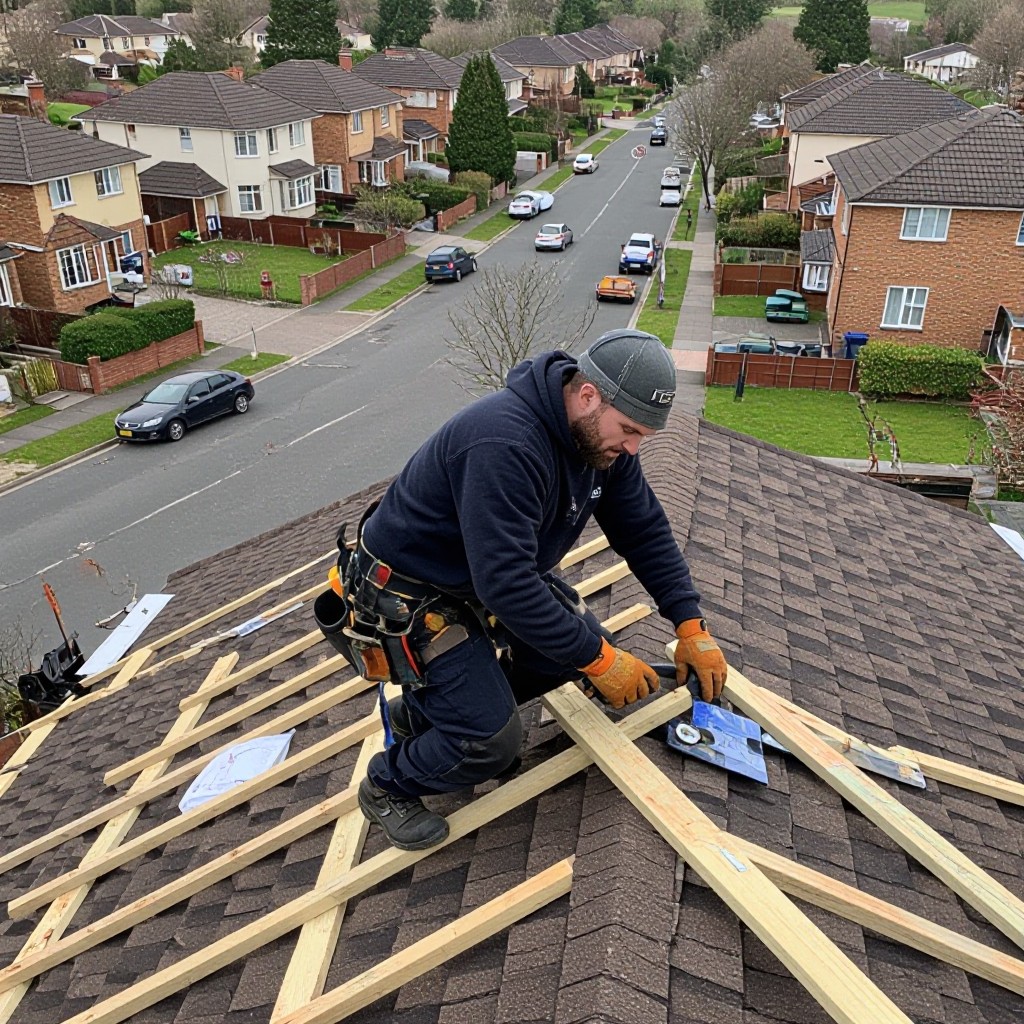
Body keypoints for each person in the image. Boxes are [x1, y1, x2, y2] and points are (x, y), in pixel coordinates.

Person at [316, 329, 728, 851]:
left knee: (568, 651)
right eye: (628, 430)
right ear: (587, 395)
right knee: (492, 743)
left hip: (475, 579)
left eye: (642, 436)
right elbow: (506, 583)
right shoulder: (503, 442)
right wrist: (603, 661)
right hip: (409, 594)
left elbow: (643, 531)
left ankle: (427, 715)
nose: (632, 447)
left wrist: (690, 623)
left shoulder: (601, 445)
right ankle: (388, 784)